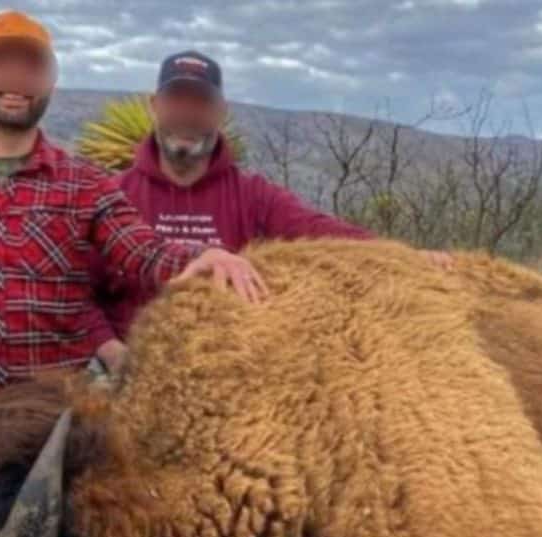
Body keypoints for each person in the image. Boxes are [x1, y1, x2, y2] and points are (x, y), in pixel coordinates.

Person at [0, 11, 263, 488]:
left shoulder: (83, 183)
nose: (15, 79)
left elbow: (142, 251)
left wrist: (200, 258)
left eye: (32, 66)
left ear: (51, 79)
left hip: (56, 443)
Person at [87, 51, 453, 374]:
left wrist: (401, 258)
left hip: (232, 370)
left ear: (220, 112)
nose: (187, 113)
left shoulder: (253, 195)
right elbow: (76, 294)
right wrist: (116, 356)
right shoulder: (113, 196)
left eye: (200, 102)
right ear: (156, 105)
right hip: (129, 366)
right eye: (177, 100)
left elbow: (319, 231)